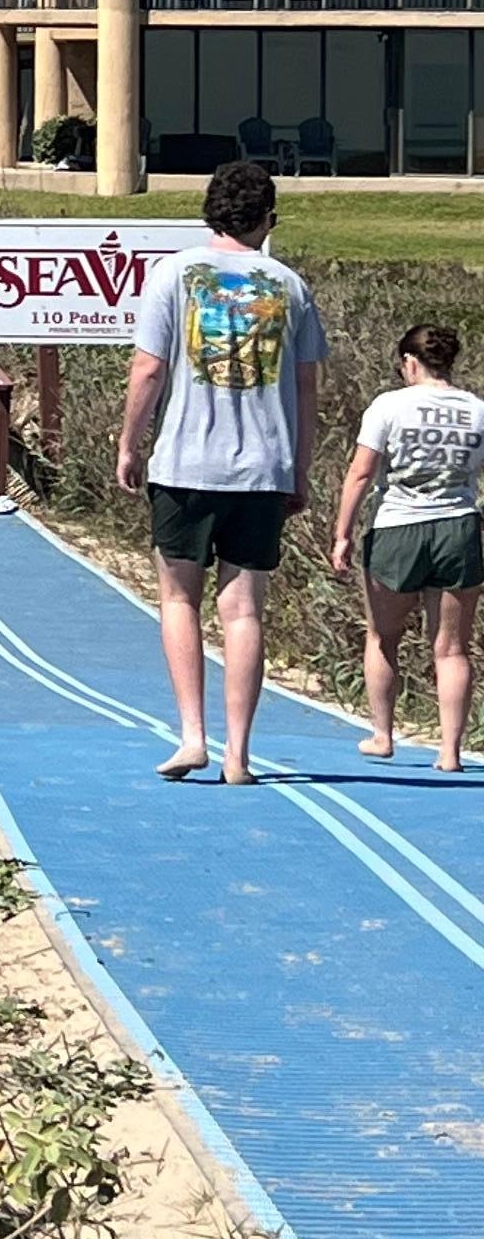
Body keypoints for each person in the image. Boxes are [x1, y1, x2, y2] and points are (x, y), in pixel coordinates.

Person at [115, 157, 328, 785]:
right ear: (269, 218)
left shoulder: (173, 274)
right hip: (263, 467)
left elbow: (149, 370)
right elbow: (306, 386)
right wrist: (301, 469)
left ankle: (192, 736)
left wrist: (130, 442)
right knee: (244, 611)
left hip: (185, 462)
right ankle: (239, 753)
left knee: (178, 597)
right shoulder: (289, 285)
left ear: (209, 211)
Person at [329, 319, 480, 776]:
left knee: (382, 636)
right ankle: (450, 751)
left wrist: (343, 532)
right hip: (459, 526)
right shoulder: (475, 409)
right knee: (452, 647)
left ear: (409, 363)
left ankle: (383, 734)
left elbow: (361, 472)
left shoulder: (389, 406)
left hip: (397, 528)